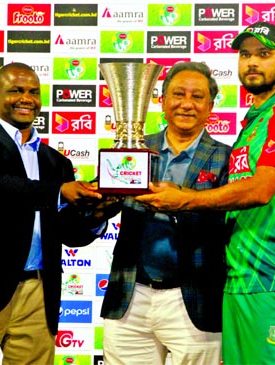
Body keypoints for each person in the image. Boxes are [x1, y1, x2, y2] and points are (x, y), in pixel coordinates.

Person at [136, 22, 275, 365]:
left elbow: (262, 188)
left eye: (264, 54)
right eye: (245, 54)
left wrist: (187, 198)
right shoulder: (255, 121)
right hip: (239, 278)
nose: (252, 62)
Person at [0, 62, 123, 365]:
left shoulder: (56, 162)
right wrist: (59, 191)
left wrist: (97, 214)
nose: (26, 98)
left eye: (33, 92)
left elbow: (67, 233)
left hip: (39, 294)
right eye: (17, 90)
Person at [101, 61, 232, 365]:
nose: (187, 104)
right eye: (178, 94)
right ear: (162, 100)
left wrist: (177, 204)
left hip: (194, 298)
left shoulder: (228, 157)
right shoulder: (134, 150)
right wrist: (98, 204)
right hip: (131, 296)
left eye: (197, 97)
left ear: (211, 106)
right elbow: (102, 211)